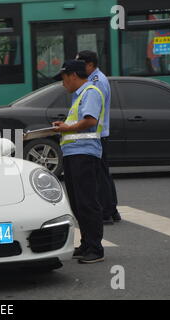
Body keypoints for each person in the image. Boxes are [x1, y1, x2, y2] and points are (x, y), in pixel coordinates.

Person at [52, 59, 105, 263]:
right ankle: (86, 244)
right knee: (77, 202)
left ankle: (95, 248)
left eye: (63, 78)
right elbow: (80, 121)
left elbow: (90, 121)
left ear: (73, 75)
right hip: (75, 154)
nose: (63, 83)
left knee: (87, 202)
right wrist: (65, 125)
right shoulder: (80, 95)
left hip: (85, 154)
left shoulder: (90, 92)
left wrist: (66, 128)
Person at [76, 50, 122, 224]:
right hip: (99, 133)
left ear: (89, 65)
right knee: (103, 173)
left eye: (80, 64)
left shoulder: (97, 82)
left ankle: (106, 212)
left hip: (96, 133)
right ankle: (112, 209)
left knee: (99, 175)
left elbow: (94, 112)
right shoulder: (97, 78)